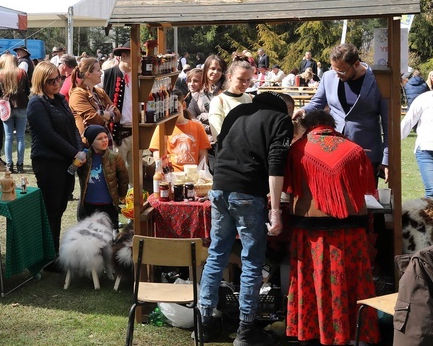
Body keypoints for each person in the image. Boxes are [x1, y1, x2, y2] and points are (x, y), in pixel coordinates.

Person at [198, 92, 293, 345]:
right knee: (252, 261)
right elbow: (276, 165)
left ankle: (205, 322)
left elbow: (218, 149)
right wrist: (275, 210)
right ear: (285, 109)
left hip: (220, 187)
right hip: (248, 192)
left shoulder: (237, 113)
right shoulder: (281, 120)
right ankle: (246, 329)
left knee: (217, 254)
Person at [284, 110, 379, 345]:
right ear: (331, 126)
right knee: (352, 280)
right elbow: (368, 188)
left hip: (311, 233)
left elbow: (289, 190)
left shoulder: (297, 150)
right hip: (351, 231)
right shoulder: (354, 149)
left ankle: (312, 331)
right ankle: (356, 333)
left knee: (313, 279)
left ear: (307, 126)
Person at [294, 43, 389, 181]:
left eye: (342, 71)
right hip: (333, 151)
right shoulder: (328, 76)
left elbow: (388, 124)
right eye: (334, 69)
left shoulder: (378, 80)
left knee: (364, 201)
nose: (337, 75)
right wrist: (303, 110)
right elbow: (317, 102)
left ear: (356, 64)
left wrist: (386, 159)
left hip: (366, 154)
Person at [27, 62, 84, 259]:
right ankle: (49, 256)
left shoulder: (60, 99)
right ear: (41, 82)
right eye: (51, 81)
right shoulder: (37, 103)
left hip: (66, 162)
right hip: (48, 162)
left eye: (58, 78)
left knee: (59, 208)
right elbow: (48, 135)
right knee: (51, 209)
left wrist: (79, 149)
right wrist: (74, 152)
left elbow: (73, 127)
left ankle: (53, 252)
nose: (56, 83)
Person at [76, 124, 129, 228]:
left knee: (109, 233)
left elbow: (123, 178)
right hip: (89, 203)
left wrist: (122, 195)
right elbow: (74, 171)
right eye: (99, 139)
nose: (104, 140)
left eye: (105, 137)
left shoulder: (115, 157)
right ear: (91, 142)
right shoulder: (84, 157)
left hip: (108, 203)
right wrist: (78, 161)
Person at [149, 89, 210, 171]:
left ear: (184, 106)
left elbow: (203, 153)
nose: (174, 112)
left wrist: (200, 173)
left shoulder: (197, 126)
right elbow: (157, 153)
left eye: (177, 108)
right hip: (171, 174)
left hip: (193, 174)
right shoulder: (162, 127)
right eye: (170, 108)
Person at [100, 42, 134, 169]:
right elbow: (93, 96)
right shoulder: (107, 75)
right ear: (124, 56)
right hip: (117, 133)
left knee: (135, 175)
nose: (139, 60)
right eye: (136, 56)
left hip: (135, 131)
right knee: (117, 172)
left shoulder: (139, 76)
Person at [68, 57, 119, 140]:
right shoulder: (77, 95)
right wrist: (107, 115)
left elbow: (117, 114)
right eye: (98, 70)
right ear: (88, 74)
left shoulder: (100, 92)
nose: (101, 73)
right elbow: (94, 119)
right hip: (89, 145)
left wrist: (100, 113)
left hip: (105, 141)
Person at [0, 54, 29, 173]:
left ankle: (9, 165)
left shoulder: (0, 74)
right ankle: (20, 165)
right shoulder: (22, 73)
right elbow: (28, 89)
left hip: (6, 107)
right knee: (21, 137)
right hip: (21, 106)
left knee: (8, 138)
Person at [208, 55, 254, 141]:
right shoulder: (218, 101)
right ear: (229, 77)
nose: (245, 84)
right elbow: (218, 134)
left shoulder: (249, 98)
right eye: (240, 79)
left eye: (248, 80)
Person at [402, 88, 433, 197]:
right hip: (426, 150)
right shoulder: (424, 98)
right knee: (432, 191)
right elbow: (408, 122)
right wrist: (392, 142)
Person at [189, 54, 226, 146]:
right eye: (212, 68)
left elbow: (225, 117)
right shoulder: (197, 93)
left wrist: (201, 116)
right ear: (206, 69)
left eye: (219, 70)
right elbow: (191, 116)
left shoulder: (226, 92)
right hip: (203, 142)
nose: (215, 72)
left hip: (223, 140)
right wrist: (206, 125)